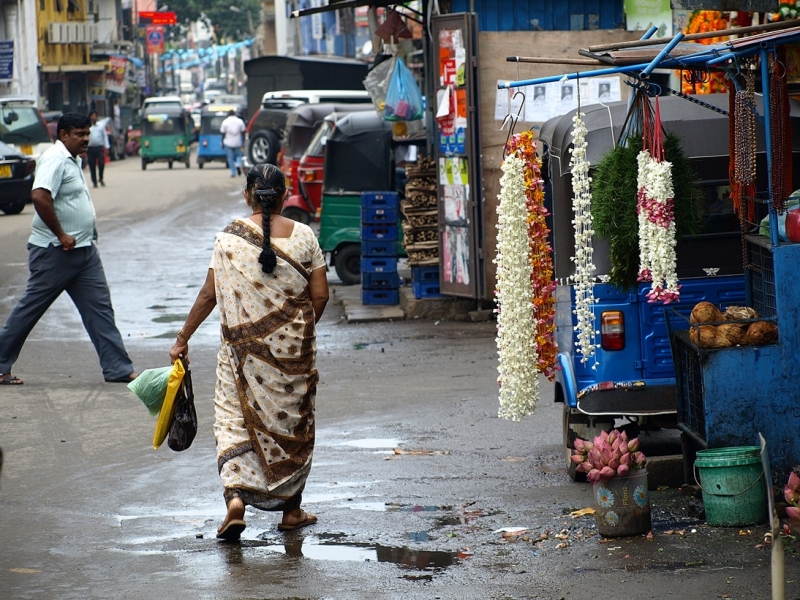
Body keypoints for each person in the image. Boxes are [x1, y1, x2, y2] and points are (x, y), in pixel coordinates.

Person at [169, 163, 329, 541]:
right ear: (286, 194)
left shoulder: (228, 239)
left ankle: (235, 502)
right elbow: (320, 295)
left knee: (234, 421)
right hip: (295, 355)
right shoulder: (305, 237)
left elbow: (209, 295)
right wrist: (296, 335)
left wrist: (182, 338)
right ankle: (292, 512)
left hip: (240, 357)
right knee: (291, 427)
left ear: (247, 195)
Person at [0, 113, 138, 385]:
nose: (86, 138)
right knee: (30, 310)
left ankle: (118, 368)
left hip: (84, 251)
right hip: (56, 251)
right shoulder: (54, 159)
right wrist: (61, 234)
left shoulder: (73, 159)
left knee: (100, 310)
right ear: (63, 135)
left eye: (87, 133)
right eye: (79, 134)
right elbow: (39, 196)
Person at [219, 109, 247, 178]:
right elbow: (243, 132)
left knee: (230, 158)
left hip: (228, 142)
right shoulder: (240, 121)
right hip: (238, 142)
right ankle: (238, 164)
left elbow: (223, 133)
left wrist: (222, 142)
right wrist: (243, 142)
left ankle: (233, 172)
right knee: (239, 155)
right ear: (235, 114)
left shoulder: (225, 122)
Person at [87, 111, 109, 188]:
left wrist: (106, 146)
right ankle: (94, 181)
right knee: (92, 165)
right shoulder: (88, 127)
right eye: (92, 116)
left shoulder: (100, 126)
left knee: (101, 163)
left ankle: (101, 178)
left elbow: (104, 136)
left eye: (95, 116)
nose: (94, 117)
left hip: (99, 147)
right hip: (90, 148)